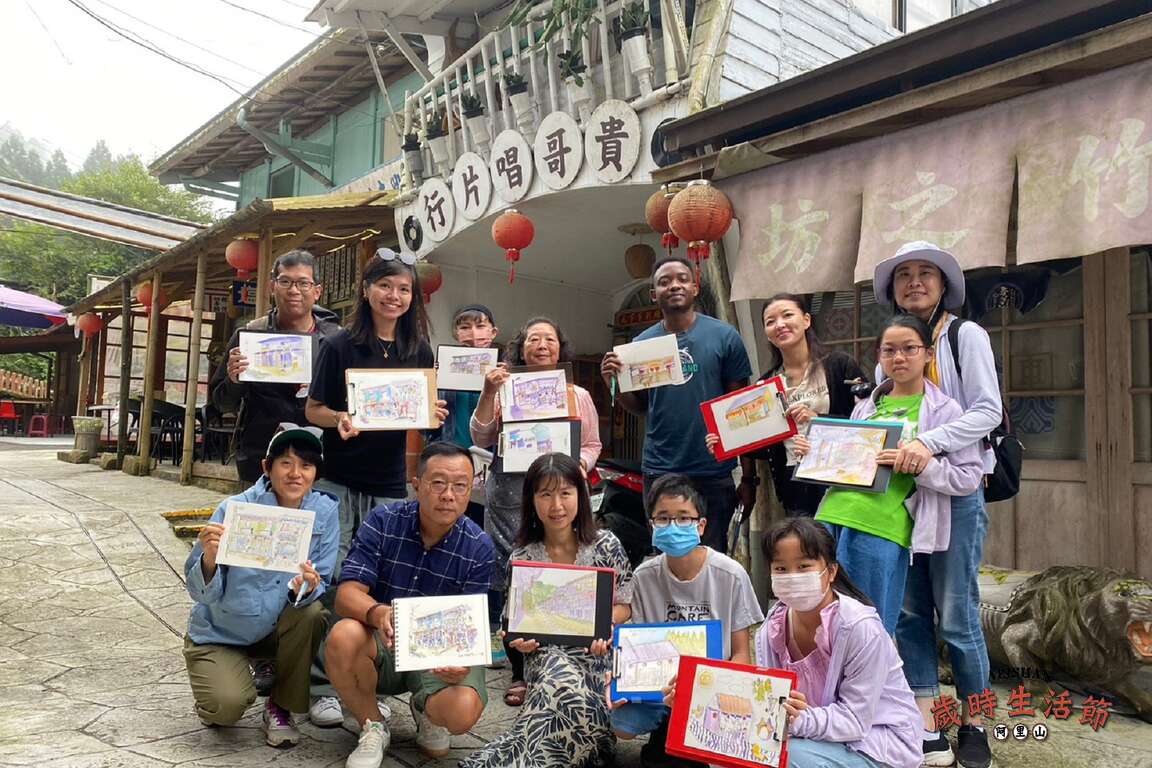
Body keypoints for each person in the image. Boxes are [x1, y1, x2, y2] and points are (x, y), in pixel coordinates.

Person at [873, 241, 1002, 768]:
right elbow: (877, 421)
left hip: (957, 491)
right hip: (903, 499)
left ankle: (976, 722)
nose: (915, 282)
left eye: (926, 273)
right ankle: (928, 724)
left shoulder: (965, 335)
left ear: (944, 284)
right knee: (910, 616)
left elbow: (988, 410)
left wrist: (927, 443)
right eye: (904, 274)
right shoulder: (892, 350)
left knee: (957, 616)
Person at [794, 316, 983, 632]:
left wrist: (921, 465)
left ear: (928, 354)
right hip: (829, 518)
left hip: (882, 525)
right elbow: (846, 464)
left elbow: (967, 476)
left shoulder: (946, 411)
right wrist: (814, 453)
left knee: (869, 623)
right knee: (820, 618)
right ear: (879, 356)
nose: (899, 358)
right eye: (889, 350)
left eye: (909, 349)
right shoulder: (865, 406)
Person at [323, 442, 495, 768]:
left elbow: (472, 627)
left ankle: (427, 711)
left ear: (470, 490)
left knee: (461, 710)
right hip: (383, 639)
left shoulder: (479, 546)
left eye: (460, 486)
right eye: (438, 483)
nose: (449, 495)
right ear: (416, 485)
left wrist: (460, 665)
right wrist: (379, 612)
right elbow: (346, 595)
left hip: (439, 652)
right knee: (344, 636)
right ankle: (373, 725)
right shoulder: (384, 520)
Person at [460, 453, 633, 768]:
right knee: (555, 676)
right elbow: (512, 624)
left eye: (565, 493)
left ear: (581, 495)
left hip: (596, 655)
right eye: (546, 494)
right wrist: (518, 641)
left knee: (560, 696)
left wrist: (604, 622)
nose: (557, 505)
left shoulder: (606, 545)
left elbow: (626, 605)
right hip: (545, 653)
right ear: (531, 500)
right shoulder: (523, 557)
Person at [470, 315, 602, 707]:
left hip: (562, 496)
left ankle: (564, 659)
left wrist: (580, 466)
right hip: (511, 495)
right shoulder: (504, 388)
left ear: (561, 348)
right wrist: (488, 392)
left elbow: (592, 445)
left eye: (549, 339)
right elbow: (480, 436)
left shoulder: (578, 394)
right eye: (533, 339)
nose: (541, 345)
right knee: (516, 577)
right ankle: (520, 670)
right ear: (520, 348)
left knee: (559, 575)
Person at [183, 424, 338, 748]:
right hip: (223, 631)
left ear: (316, 473)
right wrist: (210, 558)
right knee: (225, 707)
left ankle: (279, 705)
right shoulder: (234, 508)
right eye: (286, 463)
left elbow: (322, 579)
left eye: (306, 465)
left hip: (278, 628)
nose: (295, 473)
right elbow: (199, 592)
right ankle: (218, 688)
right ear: (267, 467)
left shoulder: (324, 512)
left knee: (313, 613)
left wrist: (307, 586)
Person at [601, 256, 756, 554]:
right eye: (664, 282)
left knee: (711, 555)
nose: (674, 285)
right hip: (661, 467)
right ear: (653, 294)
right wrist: (614, 382)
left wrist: (749, 477)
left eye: (682, 279)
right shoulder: (641, 345)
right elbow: (642, 407)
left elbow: (741, 409)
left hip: (713, 469)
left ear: (695, 288)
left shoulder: (725, 337)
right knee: (666, 553)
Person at [608, 473, 763, 768]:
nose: (673, 526)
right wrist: (619, 677)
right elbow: (633, 641)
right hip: (658, 688)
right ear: (652, 526)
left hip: (712, 687)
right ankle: (668, 727)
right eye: (663, 518)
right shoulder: (644, 576)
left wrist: (710, 686)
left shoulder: (730, 574)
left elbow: (742, 654)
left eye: (683, 518)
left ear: (701, 525)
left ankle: (687, 735)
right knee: (623, 724)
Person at [305, 247, 447, 568]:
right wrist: (339, 416)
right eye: (385, 285)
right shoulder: (338, 345)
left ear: (413, 297)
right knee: (330, 565)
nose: (394, 296)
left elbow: (418, 421)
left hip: (389, 480)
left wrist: (429, 414)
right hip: (337, 478)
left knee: (382, 565)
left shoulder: (420, 351)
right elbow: (313, 410)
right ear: (366, 289)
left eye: (404, 289)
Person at [751, 517, 921, 768]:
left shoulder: (860, 628)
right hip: (813, 738)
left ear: (830, 572)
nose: (792, 576)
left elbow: (855, 720)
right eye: (781, 569)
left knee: (784, 757)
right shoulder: (771, 631)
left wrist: (800, 721)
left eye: (804, 566)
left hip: (875, 746)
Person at [705, 293, 867, 517]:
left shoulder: (839, 365)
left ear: (806, 320)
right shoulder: (765, 385)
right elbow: (766, 445)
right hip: (794, 481)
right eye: (770, 321)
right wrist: (724, 441)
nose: (780, 325)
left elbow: (868, 424)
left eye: (787, 315)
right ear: (767, 333)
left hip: (840, 474)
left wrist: (818, 420)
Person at [210, 249, 341, 485]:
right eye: (285, 282)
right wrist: (234, 380)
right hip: (261, 462)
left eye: (303, 283)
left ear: (317, 291)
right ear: (273, 287)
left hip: (322, 462)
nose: (294, 290)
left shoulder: (336, 341)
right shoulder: (249, 337)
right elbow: (220, 404)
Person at [433, 303, 501, 528]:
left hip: (491, 469)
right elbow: (427, 427)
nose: (473, 333)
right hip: (450, 463)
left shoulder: (505, 373)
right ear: (456, 333)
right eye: (464, 327)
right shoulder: (440, 373)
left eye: (480, 326)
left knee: (484, 528)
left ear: (493, 332)